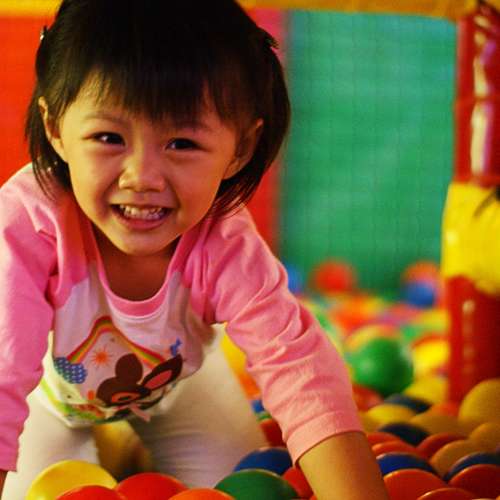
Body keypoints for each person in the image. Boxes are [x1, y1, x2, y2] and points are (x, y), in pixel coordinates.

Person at [0, 0, 388, 498]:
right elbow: (4, 373)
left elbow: (298, 367)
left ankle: (132, 444)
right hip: (47, 400)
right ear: (56, 128)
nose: (141, 177)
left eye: (181, 143)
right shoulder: (29, 225)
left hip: (180, 386)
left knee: (238, 484)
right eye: (108, 137)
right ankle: (111, 445)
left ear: (240, 148)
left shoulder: (223, 239)